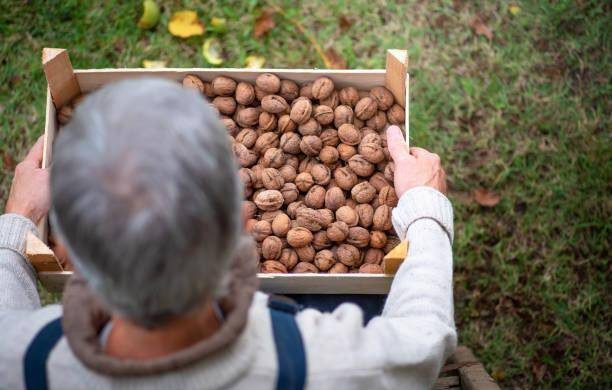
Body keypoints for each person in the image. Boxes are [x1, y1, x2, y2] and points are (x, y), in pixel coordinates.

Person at [0, 79, 455, 389]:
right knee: (349, 296)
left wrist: (18, 221)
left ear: (66, 256)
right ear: (243, 223)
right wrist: (423, 210)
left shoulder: (20, 360)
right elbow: (426, 339)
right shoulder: (327, 361)